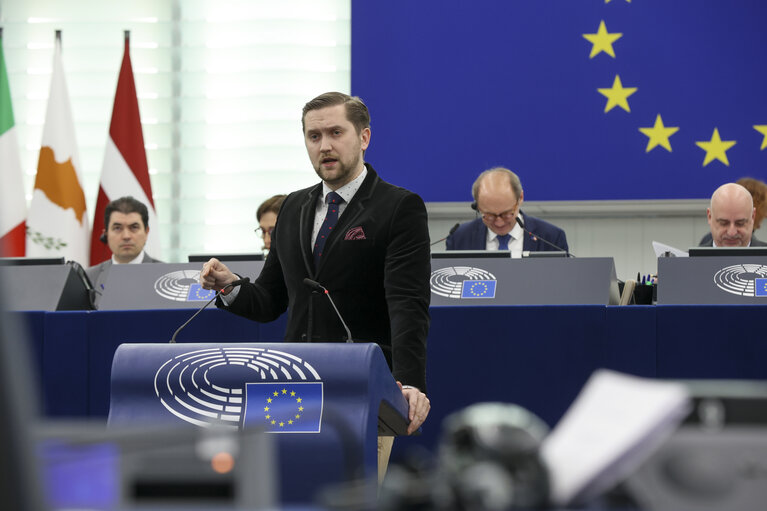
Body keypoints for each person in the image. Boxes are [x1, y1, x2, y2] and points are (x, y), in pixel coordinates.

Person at [200, 92, 431, 478]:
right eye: (313, 136)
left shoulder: (398, 207)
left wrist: (409, 384)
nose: (324, 145)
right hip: (289, 384)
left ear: (364, 137)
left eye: (336, 132)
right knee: (280, 493)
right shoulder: (292, 207)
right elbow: (272, 299)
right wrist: (231, 286)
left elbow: (407, 304)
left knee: (349, 499)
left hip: (360, 385)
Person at [446, 167, 569, 254]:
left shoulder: (551, 238)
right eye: (489, 215)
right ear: (477, 206)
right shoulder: (460, 239)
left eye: (506, 214)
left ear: (520, 198)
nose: (499, 222)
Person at [86, 196, 161, 299]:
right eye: (117, 228)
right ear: (106, 234)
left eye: (134, 227)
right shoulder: (88, 278)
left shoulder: (165, 274)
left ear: (146, 232)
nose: (126, 236)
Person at [699, 177, 767, 246]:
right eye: (723, 223)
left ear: (753, 216)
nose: (732, 233)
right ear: (709, 216)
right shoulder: (695, 256)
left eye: (740, 223)